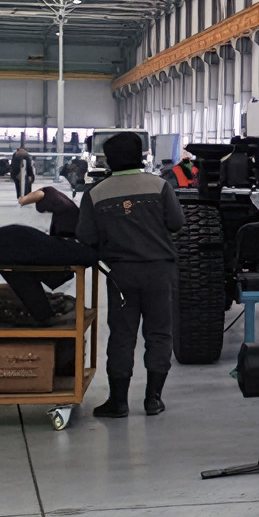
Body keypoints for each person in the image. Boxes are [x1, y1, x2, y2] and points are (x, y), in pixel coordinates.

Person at [76, 132, 185, 418]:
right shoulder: (160, 186)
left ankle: (119, 402)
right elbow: (176, 223)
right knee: (159, 333)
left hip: (121, 274)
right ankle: (153, 399)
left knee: (122, 335)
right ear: (141, 156)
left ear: (108, 160)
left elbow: (86, 236)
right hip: (159, 271)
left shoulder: (95, 193)